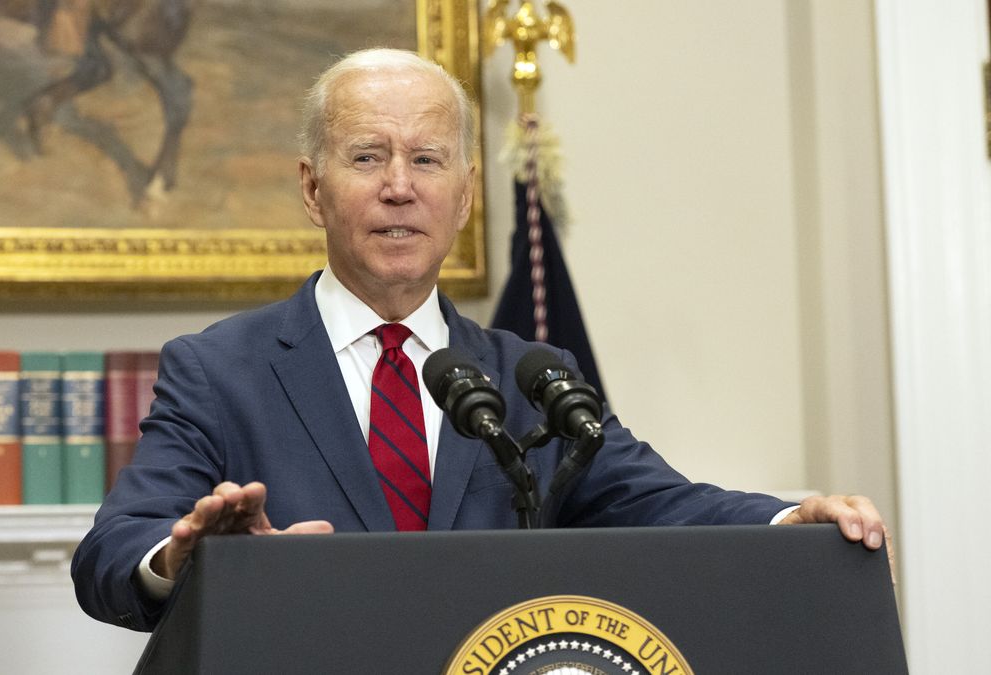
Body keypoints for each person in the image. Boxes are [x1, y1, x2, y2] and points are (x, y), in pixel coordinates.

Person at [71, 48, 888, 631]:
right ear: (314, 189)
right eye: (367, 156)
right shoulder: (219, 370)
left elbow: (664, 504)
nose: (400, 186)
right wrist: (187, 559)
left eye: (428, 159)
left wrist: (792, 518)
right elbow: (110, 553)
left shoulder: (529, 375)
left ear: (463, 196)